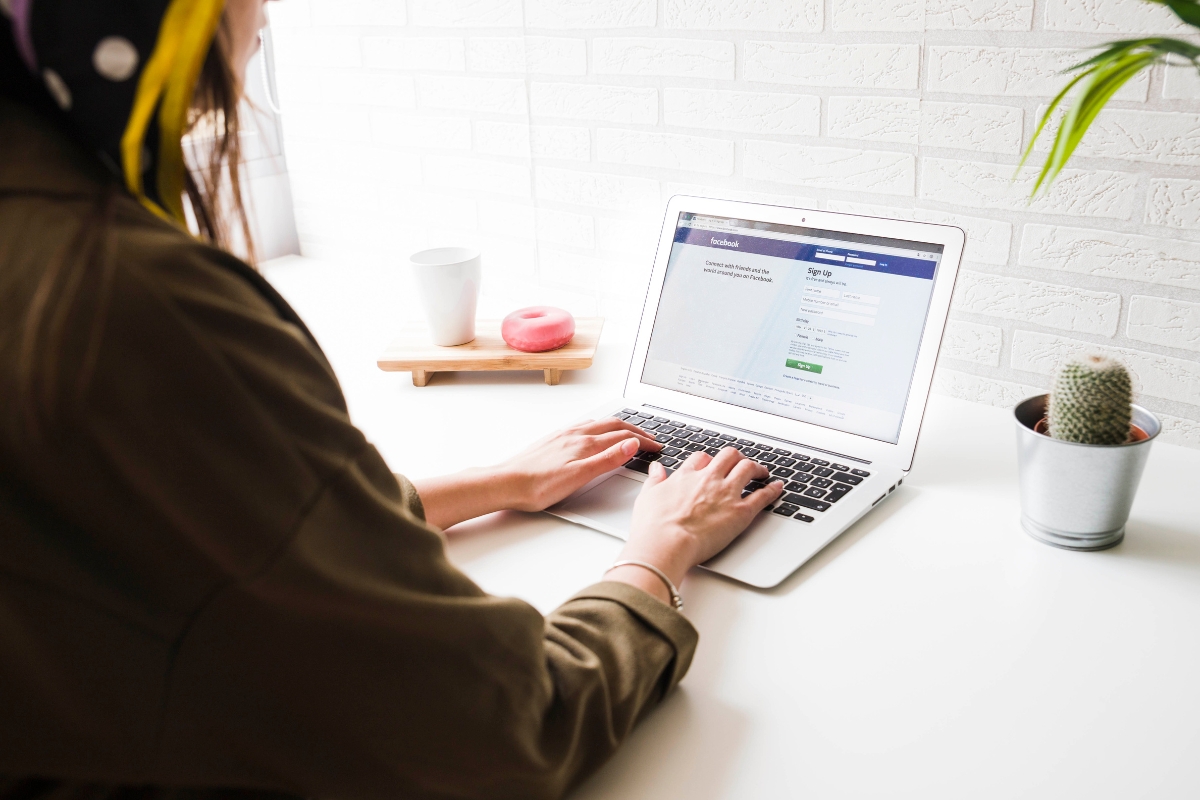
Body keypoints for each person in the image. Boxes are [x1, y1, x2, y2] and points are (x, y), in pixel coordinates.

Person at [0, 2, 785, 799]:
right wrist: (657, 552)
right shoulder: (128, 305)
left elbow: (200, 531)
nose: (262, 15)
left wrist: (495, 483)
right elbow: (500, 731)